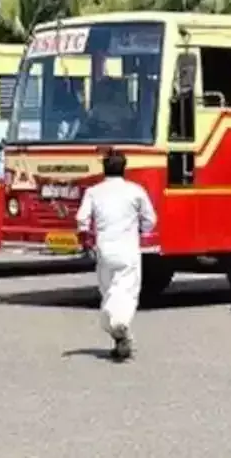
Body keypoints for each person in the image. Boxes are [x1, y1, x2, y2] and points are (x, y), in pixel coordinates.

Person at [75, 150, 157, 362]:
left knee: (109, 291)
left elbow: (82, 220)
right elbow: (150, 219)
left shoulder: (94, 192)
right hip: (128, 250)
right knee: (126, 292)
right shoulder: (135, 191)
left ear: (103, 168)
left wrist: (86, 238)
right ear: (124, 168)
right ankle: (119, 326)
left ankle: (116, 334)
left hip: (104, 250)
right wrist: (141, 230)